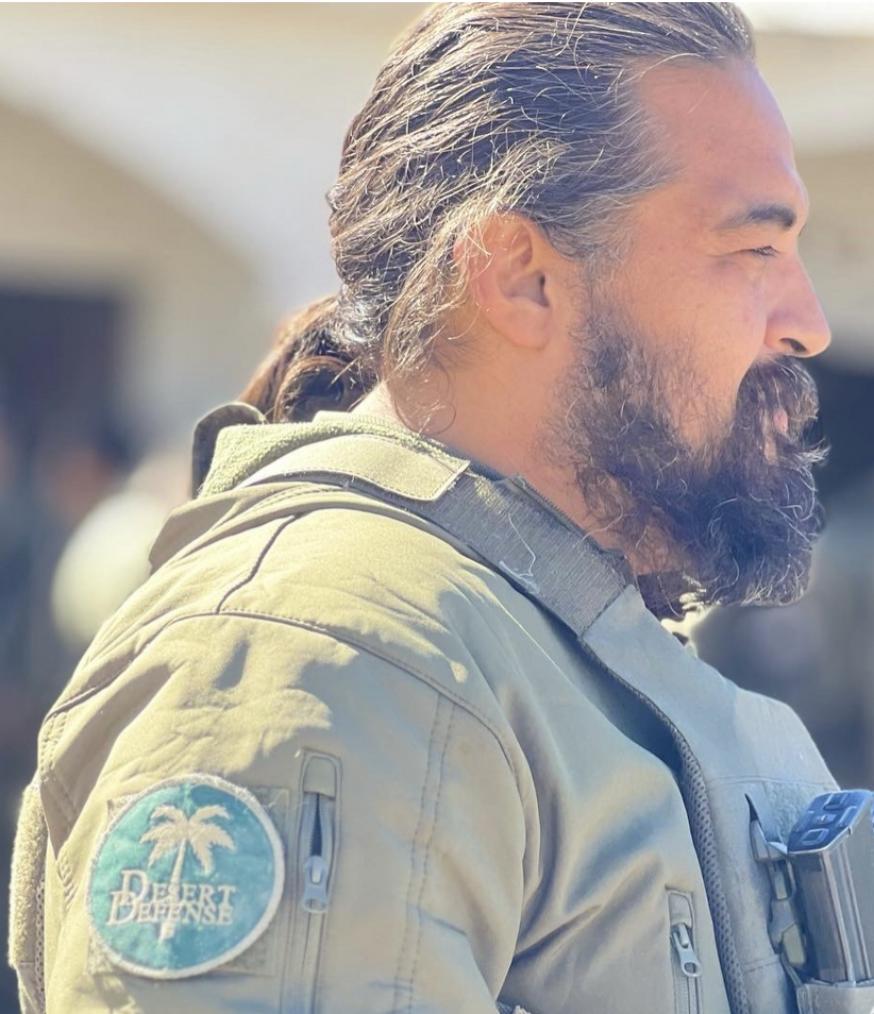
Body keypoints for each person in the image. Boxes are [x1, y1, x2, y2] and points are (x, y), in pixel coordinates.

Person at [9, 4, 845, 1012]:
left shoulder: (522, 642)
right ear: (522, 278)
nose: (807, 324)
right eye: (755, 249)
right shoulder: (328, 656)